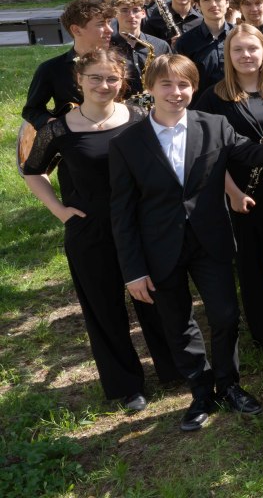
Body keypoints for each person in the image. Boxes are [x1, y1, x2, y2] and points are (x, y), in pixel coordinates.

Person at [110, 54, 263, 432]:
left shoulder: (213, 125)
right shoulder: (127, 143)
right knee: (178, 322)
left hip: (210, 239)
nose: (176, 92)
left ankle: (229, 384)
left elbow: (253, 154)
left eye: (183, 84)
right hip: (159, 247)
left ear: (193, 87)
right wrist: (133, 270)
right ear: (149, 88)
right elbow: (121, 212)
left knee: (225, 316)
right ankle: (201, 391)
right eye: (166, 84)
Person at [22, 50, 181, 412]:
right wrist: (59, 210)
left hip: (142, 227)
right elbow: (32, 171)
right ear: (78, 80)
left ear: (122, 81)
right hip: (90, 232)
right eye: (94, 77)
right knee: (104, 309)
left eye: (111, 78)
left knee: (155, 300)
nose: (103, 85)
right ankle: (127, 384)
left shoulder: (141, 118)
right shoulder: (58, 129)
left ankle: (173, 368)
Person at [193, 25, 263, 351]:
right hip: (242, 194)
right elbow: (209, 155)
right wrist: (233, 193)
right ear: (228, 55)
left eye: (253, 48)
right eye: (238, 50)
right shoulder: (213, 97)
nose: (246, 55)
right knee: (253, 263)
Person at [23, 0, 114, 130]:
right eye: (101, 24)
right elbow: (31, 110)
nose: (110, 30)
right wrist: (53, 125)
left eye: (109, 23)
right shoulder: (51, 69)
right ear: (76, 30)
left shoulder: (119, 65)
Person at [174, 0, 234, 100]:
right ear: (198, 5)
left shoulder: (240, 36)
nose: (213, 4)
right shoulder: (185, 42)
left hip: (237, 106)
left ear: (227, 2)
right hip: (200, 110)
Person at [109, 0, 170, 102]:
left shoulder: (160, 45)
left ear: (143, 13)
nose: (131, 15)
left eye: (136, 10)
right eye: (124, 10)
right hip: (120, 108)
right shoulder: (107, 48)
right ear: (115, 14)